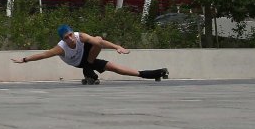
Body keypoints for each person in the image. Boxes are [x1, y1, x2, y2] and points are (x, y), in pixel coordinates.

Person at [12, 24, 169, 84]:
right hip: (80, 62)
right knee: (93, 66)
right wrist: (24, 59)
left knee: (103, 47)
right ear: (63, 40)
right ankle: (89, 74)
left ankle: (152, 74)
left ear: (73, 33)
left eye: (71, 35)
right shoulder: (61, 48)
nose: (71, 39)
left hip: (89, 57)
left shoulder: (81, 36)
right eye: (66, 38)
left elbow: (100, 43)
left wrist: (117, 47)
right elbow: (44, 55)